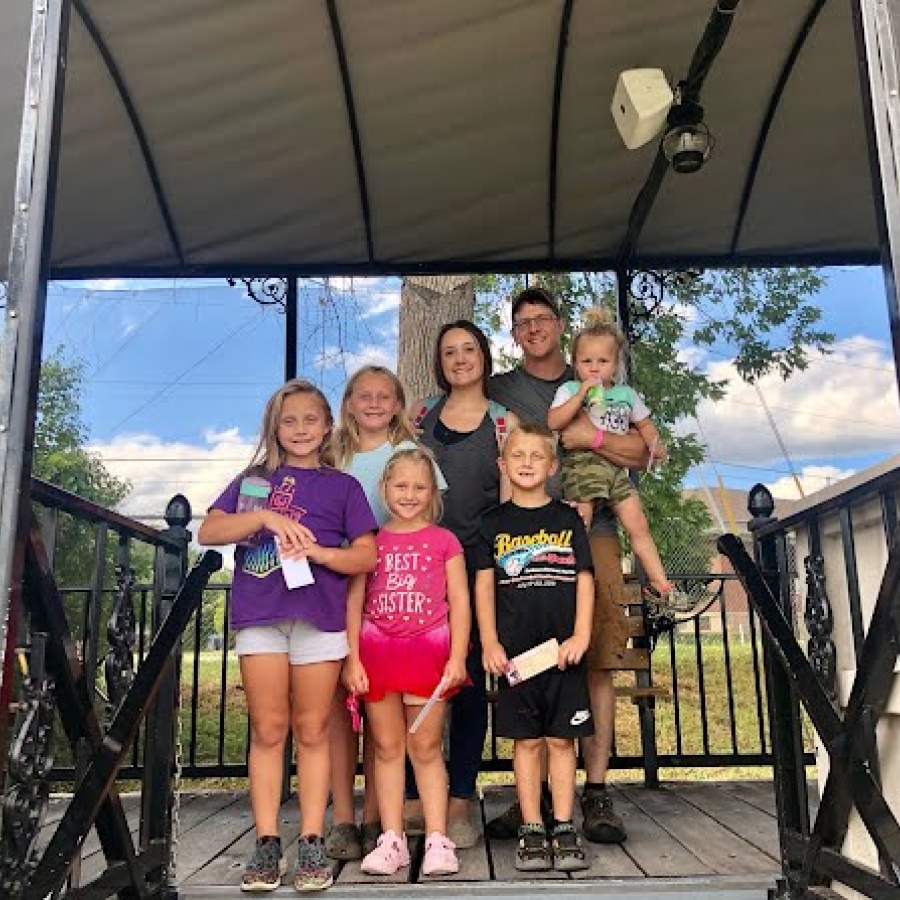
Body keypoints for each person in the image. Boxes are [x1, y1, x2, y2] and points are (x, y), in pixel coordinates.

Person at [489, 286, 664, 844]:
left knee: (595, 660)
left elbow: (645, 453)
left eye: (543, 319)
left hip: (596, 533)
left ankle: (595, 792)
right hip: (523, 539)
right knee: (528, 661)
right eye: (523, 322)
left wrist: (589, 435)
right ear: (514, 333)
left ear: (561, 325)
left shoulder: (599, 369)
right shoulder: (503, 389)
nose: (533, 328)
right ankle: (534, 799)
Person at [198, 379, 377, 893]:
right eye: (289, 420)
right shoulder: (254, 480)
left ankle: (313, 841)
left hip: (321, 621)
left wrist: (320, 553)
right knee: (269, 730)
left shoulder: (342, 487)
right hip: (262, 618)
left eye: (310, 419)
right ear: (275, 427)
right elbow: (210, 531)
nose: (300, 429)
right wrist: (265, 517)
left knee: (314, 729)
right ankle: (268, 842)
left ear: (327, 427)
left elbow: (366, 555)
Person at [410, 320, 517, 848]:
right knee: (413, 680)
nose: (459, 359)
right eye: (449, 351)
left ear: (484, 356)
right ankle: (412, 797)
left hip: (478, 566)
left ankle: (459, 800)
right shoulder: (420, 416)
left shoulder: (503, 422)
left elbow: (518, 493)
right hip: (418, 564)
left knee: (469, 680)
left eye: (468, 349)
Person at [344, 446, 470, 877]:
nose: (410, 494)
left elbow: (461, 602)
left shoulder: (445, 541)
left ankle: (437, 838)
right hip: (378, 654)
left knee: (426, 747)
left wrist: (457, 657)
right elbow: (355, 601)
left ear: (432, 491)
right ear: (384, 489)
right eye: (401, 485)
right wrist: (352, 659)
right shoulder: (371, 542)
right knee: (387, 747)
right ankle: (392, 838)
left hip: (428, 655)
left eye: (420, 486)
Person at [325, 365, 432, 861]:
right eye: (363, 395)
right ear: (348, 403)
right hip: (332, 587)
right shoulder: (329, 456)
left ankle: (375, 818)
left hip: (393, 594)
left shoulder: (412, 456)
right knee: (337, 712)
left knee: (378, 708)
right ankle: (343, 818)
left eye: (384, 395)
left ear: (398, 403)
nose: (373, 403)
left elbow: (429, 526)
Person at [475, 423, 593, 871]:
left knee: (562, 742)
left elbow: (585, 579)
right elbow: (484, 586)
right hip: (517, 658)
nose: (526, 463)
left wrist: (581, 635)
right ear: (503, 465)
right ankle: (531, 826)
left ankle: (563, 824)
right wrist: (489, 640)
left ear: (553, 466)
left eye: (536, 456)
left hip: (565, 654)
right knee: (526, 744)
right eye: (517, 456)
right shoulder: (493, 523)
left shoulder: (567, 519)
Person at [547, 307, 673, 599]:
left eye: (602, 361)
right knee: (581, 520)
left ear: (615, 365)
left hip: (616, 467)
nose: (594, 368)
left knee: (637, 522)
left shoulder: (626, 395)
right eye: (586, 361)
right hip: (583, 465)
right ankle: (569, 580)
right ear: (575, 363)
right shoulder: (569, 389)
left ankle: (661, 582)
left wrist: (657, 447)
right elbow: (553, 421)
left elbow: (645, 426)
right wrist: (581, 396)